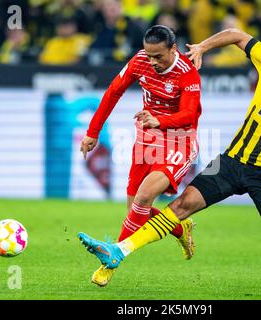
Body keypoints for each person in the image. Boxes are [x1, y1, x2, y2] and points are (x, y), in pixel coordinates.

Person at [78, 27, 261, 281]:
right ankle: (120, 250)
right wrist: (203, 47)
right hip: (231, 161)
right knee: (181, 205)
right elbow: (236, 34)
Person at [79, 25, 202, 286]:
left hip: (179, 141)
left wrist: (159, 119)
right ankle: (181, 228)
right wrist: (93, 132)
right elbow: (114, 91)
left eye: (159, 56)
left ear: (173, 49)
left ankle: (110, 262)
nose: (153, 62)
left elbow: (190, 114)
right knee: (135, 211)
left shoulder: (187, 74)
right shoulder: (140, 61)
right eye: (149, 55)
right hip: (147, 139)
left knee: (145, 196)